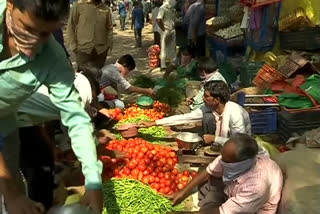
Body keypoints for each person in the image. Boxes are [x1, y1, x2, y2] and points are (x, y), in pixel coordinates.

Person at [0, 0, 103, 213]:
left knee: (18, 202)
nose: (34, 43)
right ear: (10, 4)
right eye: (27, 29)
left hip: (6, 125)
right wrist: (10, 193)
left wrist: (93, 180)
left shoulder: (51, 57)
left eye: (45, 34)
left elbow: (76, 118)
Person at [168, 133, 283, 214]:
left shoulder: (258, 185)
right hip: (233, 192)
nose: (221, 161)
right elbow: (209, 171)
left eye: (226, 161)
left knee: (209, 204)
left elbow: (224, 212)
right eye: (222, 157)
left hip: (253, 210)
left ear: (241, 162)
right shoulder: (230, 158)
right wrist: (182, 193)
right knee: (206, 177)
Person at [139, 81, 250, 142]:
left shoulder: (236, 114)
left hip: (242, 150)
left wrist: (215, 139)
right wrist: (154, 123)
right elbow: (185, 117)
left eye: (206, 97)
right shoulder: (209, 108)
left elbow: (239, 143)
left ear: (217, 100)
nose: (203, 99)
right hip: (225, 142)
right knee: (208, 117)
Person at [67, 0, 113, 70]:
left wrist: (108, 45)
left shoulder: (105, 8)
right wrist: (73, 46)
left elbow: (109, 27)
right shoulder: (78, 5)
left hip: (101, 50)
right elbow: (71, 25)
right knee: (83, 78)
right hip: (83, 50)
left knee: (98, 77)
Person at [156, 0, 177, 72]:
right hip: (167, 30)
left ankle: (172, 63)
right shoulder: (163, 8)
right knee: (165, 47)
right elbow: (158, 20)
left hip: (171, 30)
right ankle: (163, 65)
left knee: (171, 47)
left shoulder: (172, 9)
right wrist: (163, 29)